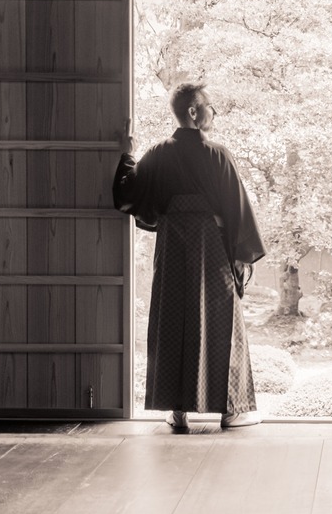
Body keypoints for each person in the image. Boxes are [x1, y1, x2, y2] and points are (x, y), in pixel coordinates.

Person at [113, 83, 266, 429]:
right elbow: (236, 209)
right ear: (194, 112)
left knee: (173, 318)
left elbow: (129, 194)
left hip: (172, 246)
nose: (214, 113)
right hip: (211, 245)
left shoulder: (156, 154)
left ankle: (177, 410)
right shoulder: (218, 155)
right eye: (210, 107)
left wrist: (127, 154)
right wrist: (242, 256)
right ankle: (231, 410)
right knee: (223, 320)